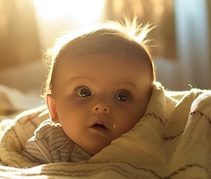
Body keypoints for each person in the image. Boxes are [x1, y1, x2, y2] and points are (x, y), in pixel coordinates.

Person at [23, 19, 158, 163]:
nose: (101, 106)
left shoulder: (146, 148)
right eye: (84, 92)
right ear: (55, 109)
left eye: (121, 96)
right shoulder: (49, 144)